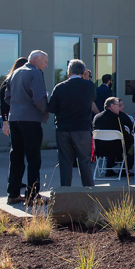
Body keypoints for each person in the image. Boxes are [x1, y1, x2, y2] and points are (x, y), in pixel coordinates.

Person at [6, 50, 49, 204]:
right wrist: (46, 110)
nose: (46, 65)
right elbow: (39, 98)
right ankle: (32, 196)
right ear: (36, 60)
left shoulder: (15, 73)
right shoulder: (35, 73)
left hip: (14, 119)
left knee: (16, 156)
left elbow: (7, 97)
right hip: (30, 120)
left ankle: (13, 194)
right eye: (45, 61)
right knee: (33, 158)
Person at [47, 59, 97, 188]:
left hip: (63, 128)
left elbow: (51, 108)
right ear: (84, 71)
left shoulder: (60, 87)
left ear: (68, 72)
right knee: (84, 160)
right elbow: (92, 99)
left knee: (65, 161)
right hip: (82, 128)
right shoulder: (89, 86)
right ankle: (89, 189)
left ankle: (65, 190)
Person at [93, 96, 133, 170]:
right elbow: (124, 135)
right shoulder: (117, 118)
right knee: (132, 147)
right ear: (112, 106)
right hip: (117, 149)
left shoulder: (97, 117)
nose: (119, 108)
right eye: (118, 105)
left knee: (110, 141)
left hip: (100, 149)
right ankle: (125, 170)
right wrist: (132, 138)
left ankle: (109, 169)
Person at [0, 57, 27, 137]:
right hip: (11, 118)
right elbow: (3, 104)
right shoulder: (7, 83)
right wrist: (5, 122)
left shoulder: (23, 83)